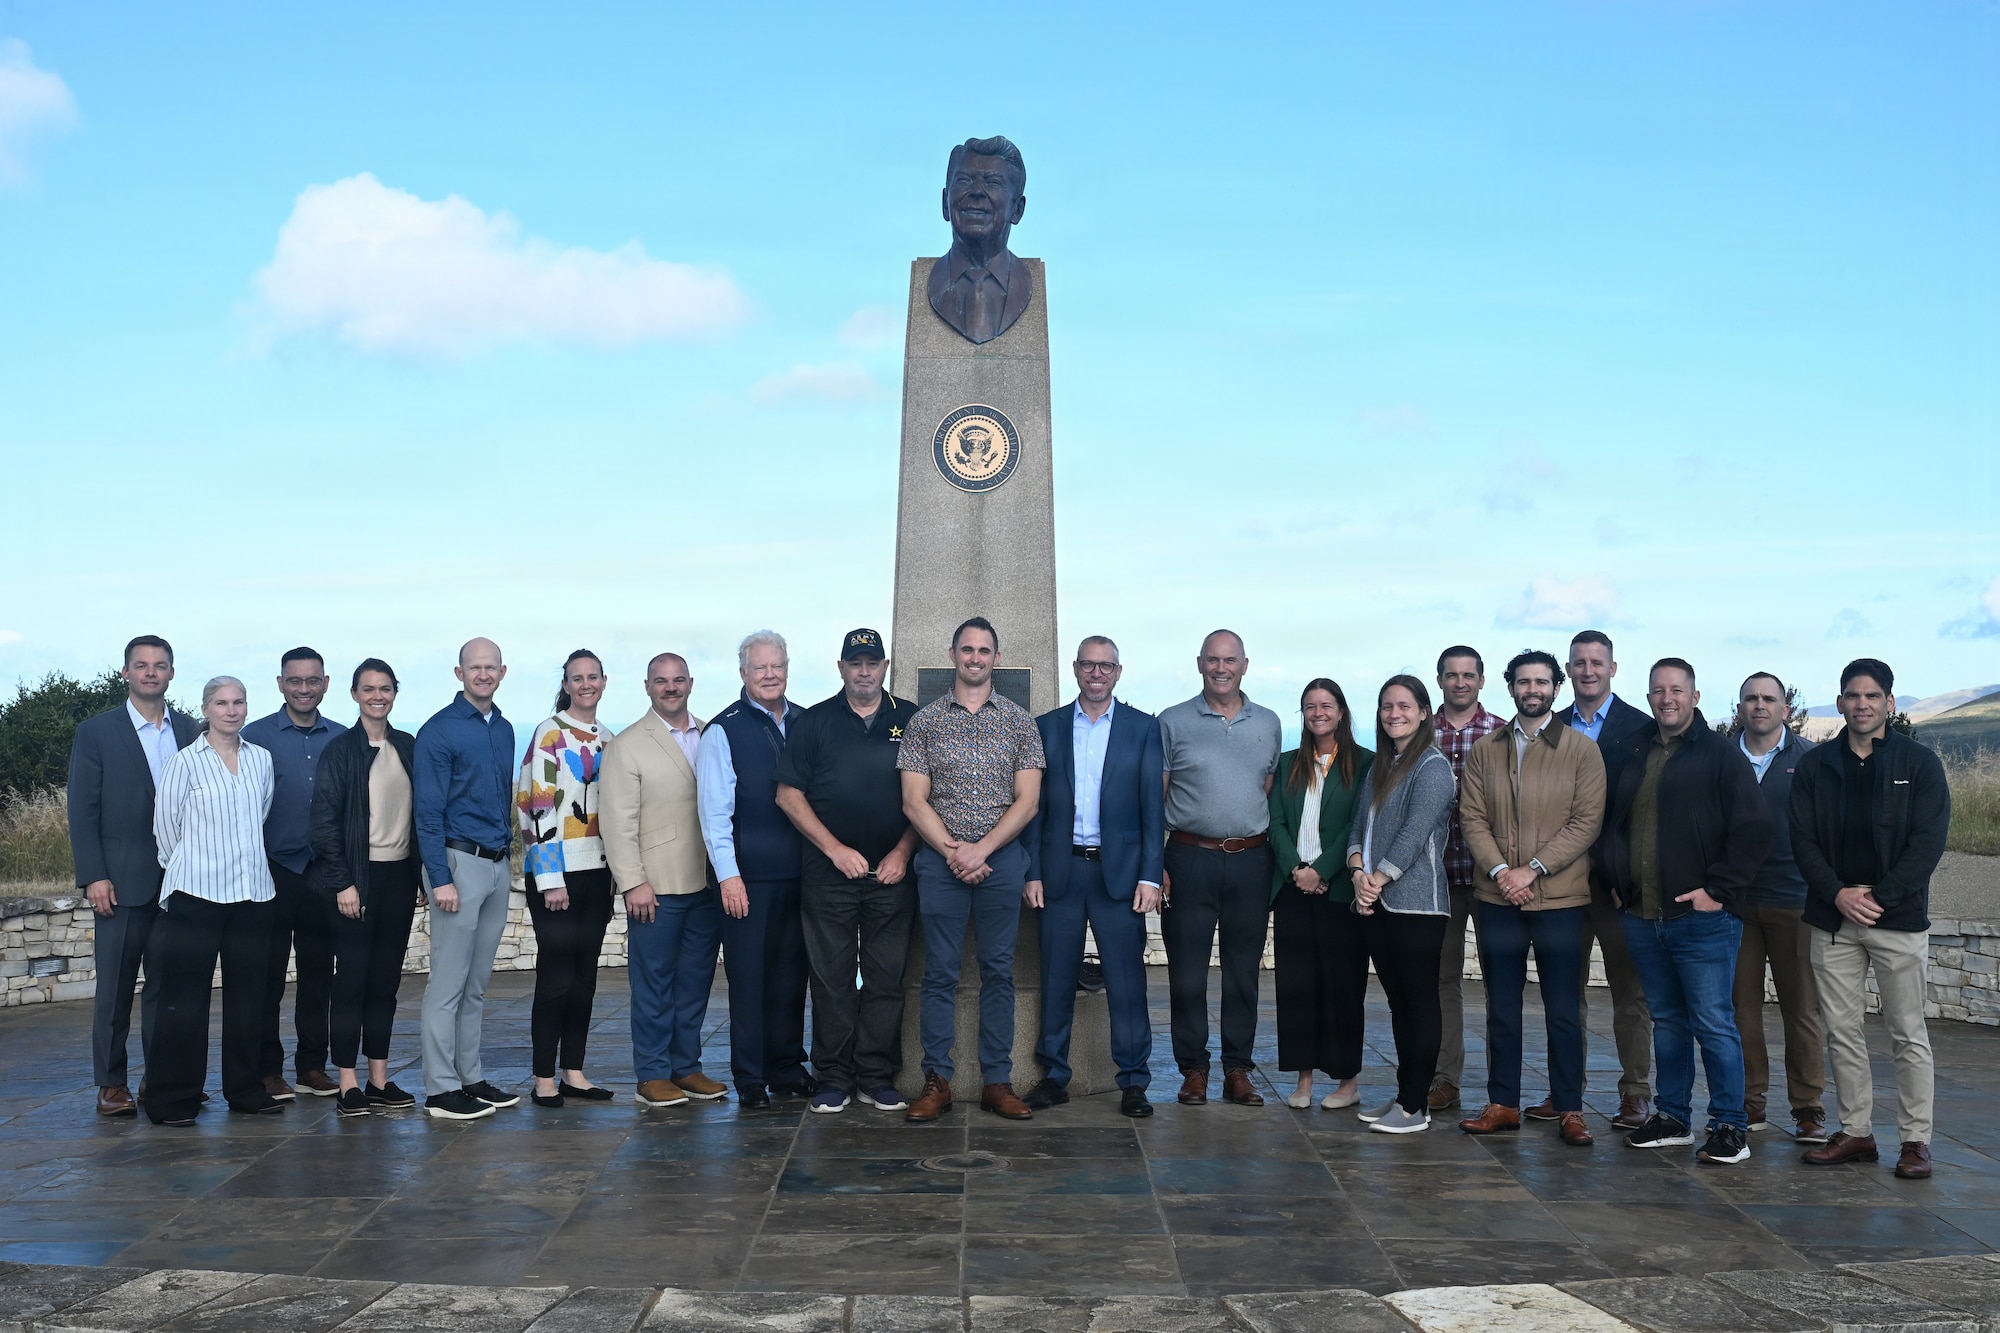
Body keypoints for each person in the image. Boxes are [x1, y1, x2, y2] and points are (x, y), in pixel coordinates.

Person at [1600, 658, 1771, 1166]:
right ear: (1649, 697)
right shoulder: (1632, 750)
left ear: (1695, 697)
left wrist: (1718, 890)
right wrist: (1615, 881)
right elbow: (1610, 822)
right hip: (1641, 913)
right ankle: (1672, 1117)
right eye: (1658, 691)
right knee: (1668, 1022)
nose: (1667, 698)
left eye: (1677, 690)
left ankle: (1728, 1126)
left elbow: (1755, 828)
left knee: (1714, 1022)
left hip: (1702, 919)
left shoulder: (1719, 754)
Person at [1795, 658, 1951, 1180]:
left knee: (1907, 1033)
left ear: (1889, 701)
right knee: (1841, 1031)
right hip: (1833, 918)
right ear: (1840, 702)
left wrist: (1878, 896)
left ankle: (1915, 1141)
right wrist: (1838, 894)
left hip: (1898, 918)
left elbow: (1928, 843)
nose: (1861, 704)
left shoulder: (1920, 764)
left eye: (1872, 696)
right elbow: (1803, 841)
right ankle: (1856, 1131)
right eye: (1852, 696)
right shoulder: (1817, 766)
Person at [897, 616, 1046, 1122]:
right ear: (953, 654)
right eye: (967, 650)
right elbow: (914, 802)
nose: (975, 658)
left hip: (1001, 863)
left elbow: (1027, 802)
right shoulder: (926, 721)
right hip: (941, 865)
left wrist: (982, 850)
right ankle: (936, 1079)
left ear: (996, 657)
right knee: (938, 974)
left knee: (999, 972)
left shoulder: (1019, 722)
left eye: (984, 650)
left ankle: (997, 1081)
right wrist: (955, 852)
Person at [1456, 651, 1605, 1147]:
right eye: (1524, 682)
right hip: (1497, 898)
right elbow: (1472, 817)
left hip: (1560, 899)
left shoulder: (1582, 751)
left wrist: (1532, 870)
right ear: (1511, 687)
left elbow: (1585, 823)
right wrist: (1502, 872)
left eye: (1542, 681)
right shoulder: (1485, 750)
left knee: (1563, 1008)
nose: (1533, 689)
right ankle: (1503, 1103)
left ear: (1556, 688)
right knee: (1501, 1006)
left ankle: (1569, 1107)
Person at [774, 630, 921, 1115]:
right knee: (832, 980)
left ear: (885, 667)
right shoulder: (814, 722)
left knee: (885, 980)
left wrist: (903, 853)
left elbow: (927, 798)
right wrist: (835, 849)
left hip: (892, 876)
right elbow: (788, 795)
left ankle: (876, 1077)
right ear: (841, 668)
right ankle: (833, 1077)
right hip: (827, 875)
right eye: (855, 663)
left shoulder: (911, 720)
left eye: (872, 663)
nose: (864, 671)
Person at [1021, 636, 1167, 1119]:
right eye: (1089, 665)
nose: (1097, 673)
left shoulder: (1143, 729)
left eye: (1106, 666)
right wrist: (1034, 872)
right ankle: (1055, 1076)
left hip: (1119, 875)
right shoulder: (1048, 727)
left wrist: (1150, 875)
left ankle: (1133, 1081)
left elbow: (1152, 809)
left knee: (1127, 983)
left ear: (1118, 672)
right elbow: (1036, 810)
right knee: (1056, 977)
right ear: (1076, 669)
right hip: (1061, 871)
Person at [67, 635, 199, 1118]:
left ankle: (159, 1081)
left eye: (160, 665)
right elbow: (82, 810)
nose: (150, 673)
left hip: (182, 884)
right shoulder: (97, 732)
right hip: (120, 883)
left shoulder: (191, 730)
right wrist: (94, 875)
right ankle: (111, 1084)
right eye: (141, 666)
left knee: (169, 992)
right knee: (116, 990)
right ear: (125, 672)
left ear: (171, 673)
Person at [145, 677, 281, 1124]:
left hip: (252, 894)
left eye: (239, 701)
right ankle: (174, 1098)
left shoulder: (261, 760)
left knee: (250, 1000)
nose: (231, 710)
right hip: (196, 894)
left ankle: (244, 1089)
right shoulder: (185, 763)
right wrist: (192, 865)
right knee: (184, 1001)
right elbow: (166, 831)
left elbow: (259, 815)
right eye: (221, 702)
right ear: (205, 709)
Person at [1158, 629, 1284, 1108]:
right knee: (1187, 973)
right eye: (1212, 660)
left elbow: (1265, 787)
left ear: (1245, 665)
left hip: (1251, 860)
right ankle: (1193, 1069)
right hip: (1189, 857)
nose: (1221, 668)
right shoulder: (1172, 722)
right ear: (1199, 664)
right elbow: (1158, 795)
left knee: (1243, 973)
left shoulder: (1268, 723)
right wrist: (1157, 862)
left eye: (1230, 660)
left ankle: (1238, 1070)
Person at [600, 652, 728, 1109]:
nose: (670, 687)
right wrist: (633, 882)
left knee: (695, 981)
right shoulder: (629, 744)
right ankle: (652, 1073)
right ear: (648, 686)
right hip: (656, 886)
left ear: (690, 683)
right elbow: (617, 822)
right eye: (661, 681)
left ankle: (686, 1067)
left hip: (707, 882)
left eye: (677, 680)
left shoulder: (715, 734)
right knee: (653, 983)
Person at [697, 631, 815, 1110]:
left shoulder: (808, 722)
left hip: (803, 876)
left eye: (777, 666)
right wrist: (729, 876)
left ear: (788, 668)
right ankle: (749, 1075)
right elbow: (713, 813)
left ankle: (785, 1066)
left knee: (791, 977)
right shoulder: (723, 730)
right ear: (743, 673)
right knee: (749, 981)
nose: (769, 675)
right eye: (759, 667)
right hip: (747, 880)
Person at [1546, 629, 1656, 1130]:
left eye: (1597, 662)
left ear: (1613, 668)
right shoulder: (1549, 727)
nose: (1588, 670)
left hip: (1619, 885)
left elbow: (1645, 810)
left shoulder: (1641, 728)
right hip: (1560, 881)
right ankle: (1566, 1092)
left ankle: (1635, 1092)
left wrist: (1628, 874)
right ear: (1567, 670)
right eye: (1579, 662)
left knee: (1629, 992)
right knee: (1563, 992)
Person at [308, 658, 424, 1117]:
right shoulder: (341, 751)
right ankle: (347, 1082)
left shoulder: (408, 747)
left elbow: (419, 818)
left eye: (386, 688)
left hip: (398, 878)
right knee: (351, 981)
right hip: (357, 880)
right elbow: (323, 827)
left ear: (395, 692)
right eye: (368, 688)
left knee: (385, 983)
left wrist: (417, 877)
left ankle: (379, 1078)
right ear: (354, 694)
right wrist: (344, 884)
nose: (378, 696)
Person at [1344, 676, 1458, 1134]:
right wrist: (1357, 871)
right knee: (1399, 1007)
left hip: (1416, 908)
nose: (1395, 713)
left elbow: (1415, 833)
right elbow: (1358, 828)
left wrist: (1377, 878)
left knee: (1420, 1005)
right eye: (1387, 706)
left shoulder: (1432, 766)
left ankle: (1414, 1107)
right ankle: (1404, 1098)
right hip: (1375, 902)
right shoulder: (1380, 767)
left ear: (1425, 712)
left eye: (1405, 706)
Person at [412, 637, 519, 1121]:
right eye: (473, 668)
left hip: (496, 865)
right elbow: (427, 813)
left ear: (502, 671)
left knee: (476, 985)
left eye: (490, 667)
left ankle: (469, 1077)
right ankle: (440, 1090)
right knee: (447, 985)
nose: (482, 674)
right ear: (459, 673)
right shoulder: (439, 731)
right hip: (456, 866)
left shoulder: (505, 728)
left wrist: (507, 866)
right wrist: (440, 878)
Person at [242, 647, 346, 1102]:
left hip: (323, 873)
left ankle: (311, 1066)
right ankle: (267, 1070)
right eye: (295, 680)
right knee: (266, 979)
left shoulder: (343, 739)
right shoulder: (253, 737)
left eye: (312, 680)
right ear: (280, 683)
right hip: (271, 872)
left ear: (325, 683)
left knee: (318, 976)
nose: (304, 688)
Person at [516, 650, 619, 1108]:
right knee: (555, 978)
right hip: (558, 875)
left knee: (584, 978)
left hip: (598, 873)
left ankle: (574, 1070)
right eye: (576, 678)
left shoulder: (610, 738)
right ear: (566, 683)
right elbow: (537, 805)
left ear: (603, 681)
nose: (585, 685)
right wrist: (549, 877)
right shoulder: (550, 733)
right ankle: (543, 1077)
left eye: (592, 677)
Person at [1730, 673, 1827, 1144]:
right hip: (1734, 904)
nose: (1760, 706)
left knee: (1801, 1009)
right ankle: (1750, 1103)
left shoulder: (1811, 759)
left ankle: (1808, 1107)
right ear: (1740, 706)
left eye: (1770, 699)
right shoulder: (1720, 756)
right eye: (1751, 698)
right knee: (1740, 1009)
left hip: (1796, 901)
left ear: (1786, 708)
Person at [1266, 678, 1372, 1112]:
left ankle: (1348, 1081)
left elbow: (1359, 825)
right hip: (1293, 890)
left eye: (1326, 705)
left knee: (1344, 986)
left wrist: (1323, 870)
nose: (1318, 713)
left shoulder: (1365, 764)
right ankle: (1304, 1078)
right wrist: (1297, 870)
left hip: (1340, 890)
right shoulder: (1289, 762)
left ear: (1341, 711)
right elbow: (1275, 822)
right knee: (1296, 986)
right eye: (1309, 706)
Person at [1430, 645, 1504, 1114]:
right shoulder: (1421, 730)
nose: (1460, 682)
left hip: (1491, 876)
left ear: (1481, 680)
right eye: (1452, 675)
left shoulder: (1501, 732)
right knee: (1442, 981)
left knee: (1502, 981)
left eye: (1468, 675)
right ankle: (1444, 1079)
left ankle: (1505, 1085)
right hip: (1437, 877)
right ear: (1439, 679)